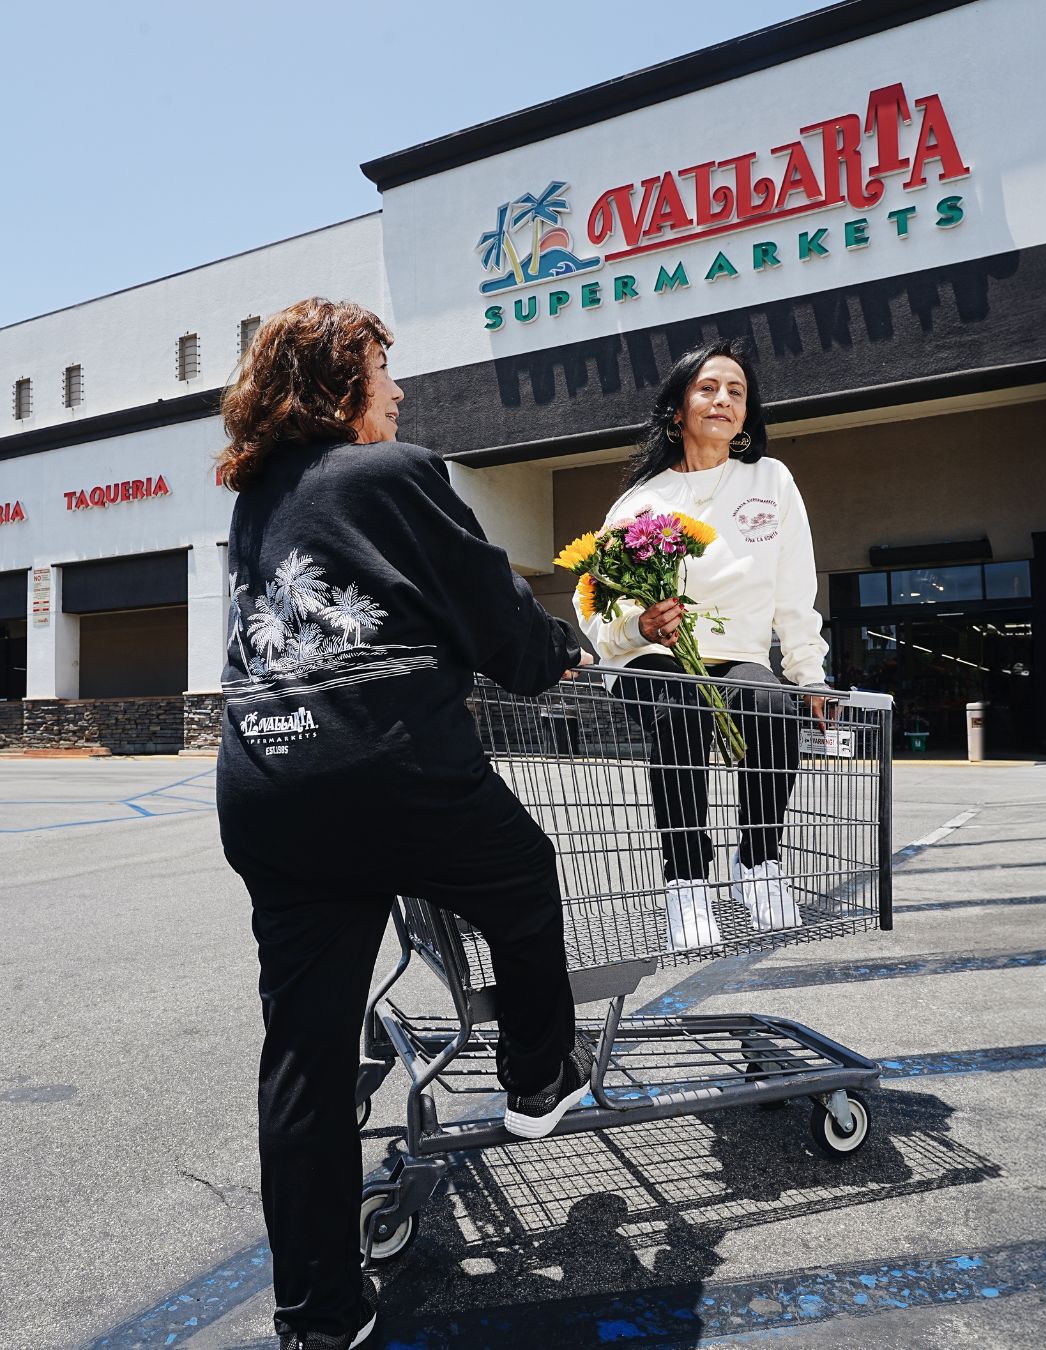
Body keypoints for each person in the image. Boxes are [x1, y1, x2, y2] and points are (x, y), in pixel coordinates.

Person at [215, 298, 594, 1350]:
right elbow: (494, 618)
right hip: (387, 770)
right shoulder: (393, 473)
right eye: (385, 368)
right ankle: (535, 1077)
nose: (400, 389)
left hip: (268, 783)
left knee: (304, 1054)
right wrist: (551, 652)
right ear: (343, 379)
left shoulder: (258, 497)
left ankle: (319, 1319)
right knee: (520, 875)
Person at [574, 339, 830, 946]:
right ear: (678, 410)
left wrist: (808, 672)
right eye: (708, 388)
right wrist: (637, 626)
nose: (723, 400)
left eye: (737, 392)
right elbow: (595, 601)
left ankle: (758, 862)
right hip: (651, 656)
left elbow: (794, 588)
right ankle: (686, 881)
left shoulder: (770, 480)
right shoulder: (639, 502)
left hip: (738, 654)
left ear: (748, 414)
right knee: (681, 705)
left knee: (770, 709)